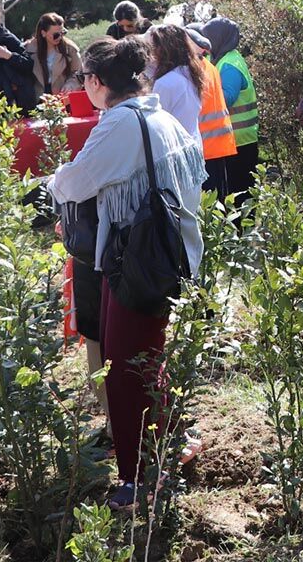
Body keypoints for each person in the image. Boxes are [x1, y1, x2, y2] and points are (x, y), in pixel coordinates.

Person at [48, 36, 206, 510]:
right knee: (146, 357)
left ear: (95, 82)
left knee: (123, 368)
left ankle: (137, 478)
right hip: (172, 254)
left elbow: (75, 181)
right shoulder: (161, 116)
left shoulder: (119, 123)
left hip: (137, 262)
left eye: (84, 81)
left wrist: (55, 178)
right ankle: (174, 439)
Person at [201, 17, 259, 202]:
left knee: (240, 194)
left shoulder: (229, 64)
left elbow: (228, 97)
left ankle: (243, 231)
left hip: (238, 141)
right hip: (234, 139)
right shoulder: (223, 58)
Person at [184, 24, 236, 195]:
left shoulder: (193, 70)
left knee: (209, 202)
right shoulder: (210, 66)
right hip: (219, 144)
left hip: (205, 146)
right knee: (219, 199)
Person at [147, 24, 205, 146]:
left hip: (176, 147)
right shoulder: (190, 73)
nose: (150, 53)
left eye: (153, 47)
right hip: (193, 144)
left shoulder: (166, 83)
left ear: (163, 50)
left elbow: (156, 124)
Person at [25, 13, 82, 96]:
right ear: (43, 33)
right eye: (56, 35)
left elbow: (78, 73)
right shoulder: (28, 49)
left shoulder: (70, 49)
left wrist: (71, 84)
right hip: (36, 98)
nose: (60, 37)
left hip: (62, 97)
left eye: (63, 33)